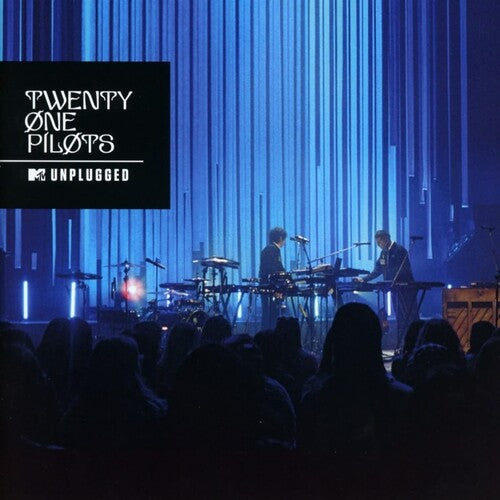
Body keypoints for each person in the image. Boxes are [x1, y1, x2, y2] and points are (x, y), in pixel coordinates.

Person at [356, 229, 418, 344]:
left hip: (406, 289)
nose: (379, 245)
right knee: (400, 316)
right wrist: (364, 279)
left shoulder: (399, 250)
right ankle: (403, 343)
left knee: (410, 315)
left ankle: (416, 341)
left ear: (386, 239)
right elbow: (377, 270)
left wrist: (390, 278)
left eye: (380, 242)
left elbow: (404, 269)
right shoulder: (383, 253)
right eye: (377, 243)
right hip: (395, 289)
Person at [259, 227, 287, 329]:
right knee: (270, 315)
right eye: (284, 239)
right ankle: (269, 335)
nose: (284, 242)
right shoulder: (272, 249)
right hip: (270, 287)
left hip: (267, 285)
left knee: (269, 314)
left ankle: (268, 334)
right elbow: (273, 269)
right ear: (280, 238)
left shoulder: (269, 249)